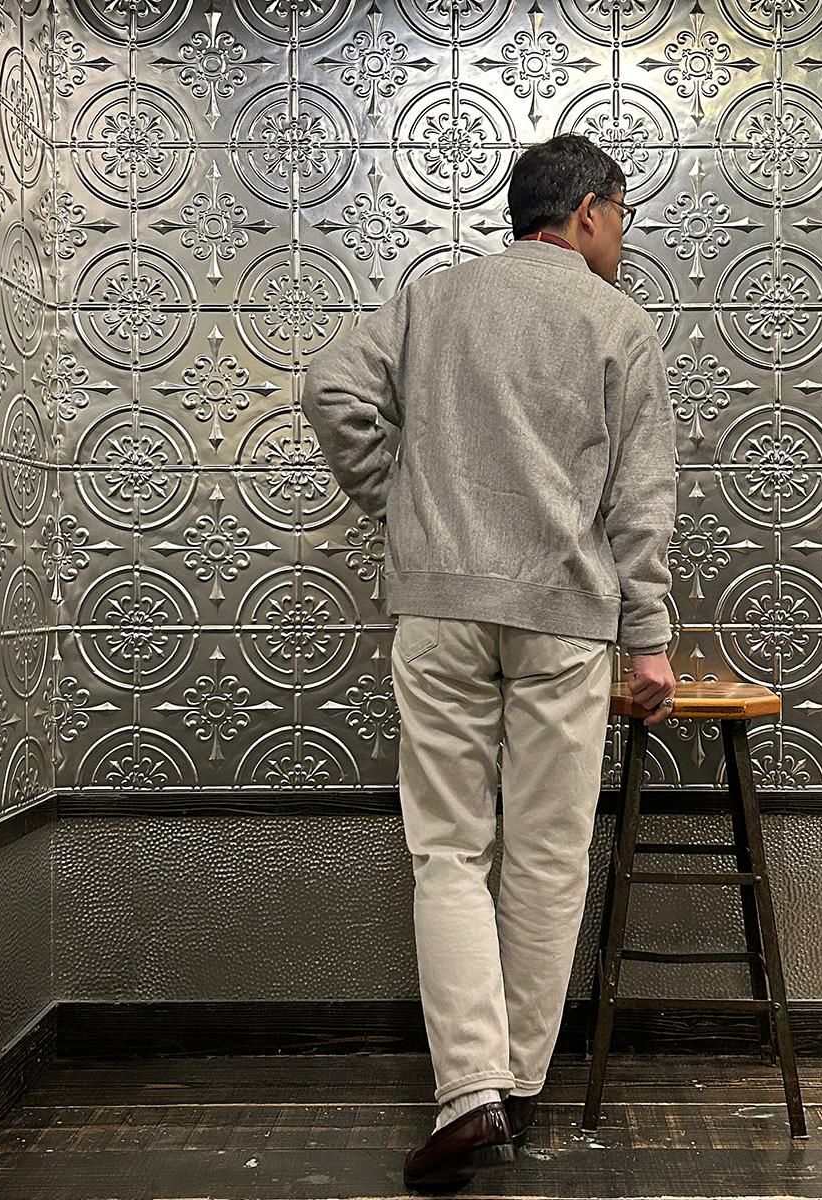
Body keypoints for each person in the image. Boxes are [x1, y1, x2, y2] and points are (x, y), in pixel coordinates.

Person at [301, 133, 678, 1191]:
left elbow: (331, 389)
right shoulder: (618, 321)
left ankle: (467, 1094)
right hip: (565, 616)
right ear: (590, 211)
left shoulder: (433, 298)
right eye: (622, 216)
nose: (622, 237)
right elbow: (641, 500)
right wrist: (649, 639)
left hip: (440, 607)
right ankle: (518, 1086)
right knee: (548, 855)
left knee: (448, 850)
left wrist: (402, 510)